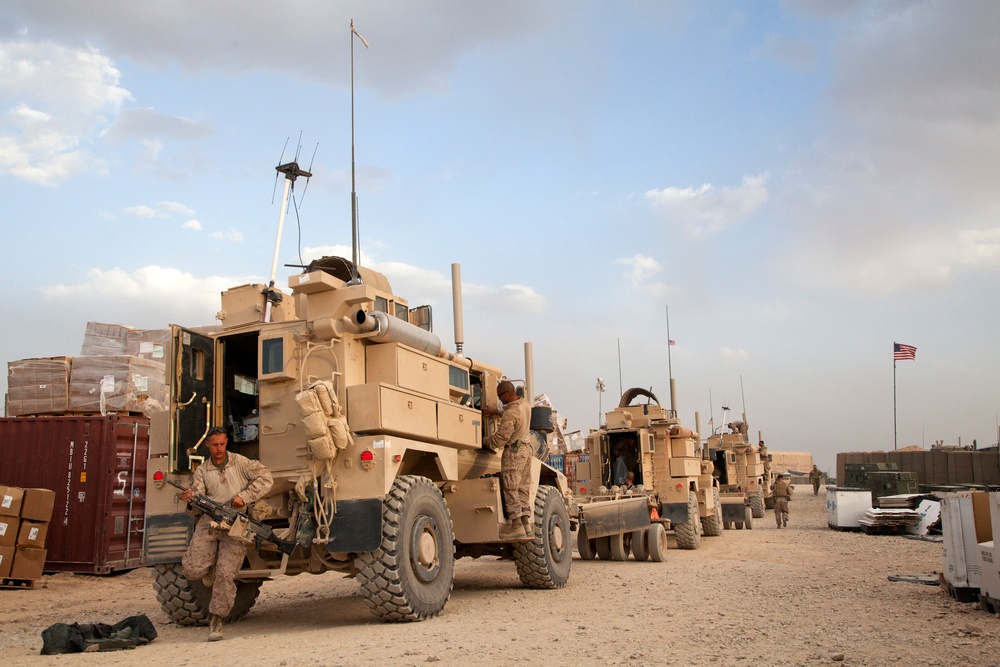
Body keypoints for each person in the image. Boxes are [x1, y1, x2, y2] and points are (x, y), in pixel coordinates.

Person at [179, 426, 273, 641]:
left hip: (236, 523)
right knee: (193, 570)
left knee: (226, 574)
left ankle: (217, 621)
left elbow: (266, 477)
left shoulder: (240, 462)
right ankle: (210, 565)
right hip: (210, 521)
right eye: (214, 445)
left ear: (226, 442)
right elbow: (198, 496)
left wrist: (245, 496)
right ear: (208, 445)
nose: (219, 448)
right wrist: (190, 498)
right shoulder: (202, 470)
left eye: (222, 444)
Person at [482, 381, 534, 541]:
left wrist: (483, 441)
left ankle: (516, 526)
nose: (499, 399)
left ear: (506, 394)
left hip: (514, 452)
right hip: (526, 450)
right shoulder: (525, 404)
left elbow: (500, 439)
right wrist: (496, 412)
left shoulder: (511, 413)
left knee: (511, 488)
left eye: (499, 396)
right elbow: (510, 413)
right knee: (523, 488)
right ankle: (526, 525)